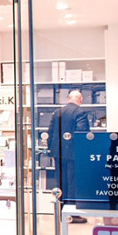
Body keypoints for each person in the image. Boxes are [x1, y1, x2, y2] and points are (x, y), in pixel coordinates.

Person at [48, 90, 89, 223]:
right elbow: (82, 134)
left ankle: (60, 211)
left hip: (58, 152)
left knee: (60, 181)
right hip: (73, 154)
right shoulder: (80, 112)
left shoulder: (57, 112)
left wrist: (51, 149)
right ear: (80, 99)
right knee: (72, 182)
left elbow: (50, 132)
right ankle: (72, 214)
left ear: (68, 98)